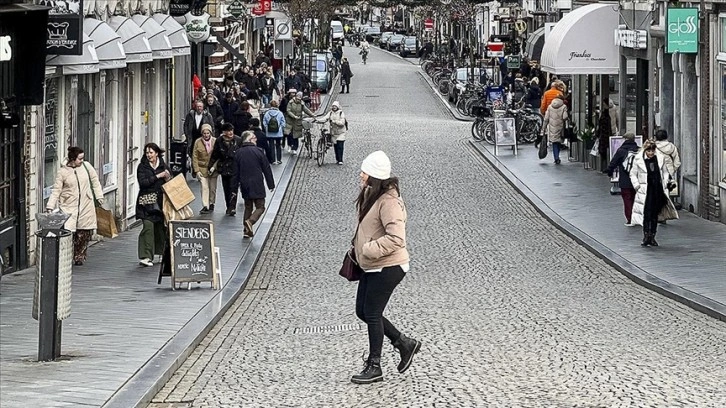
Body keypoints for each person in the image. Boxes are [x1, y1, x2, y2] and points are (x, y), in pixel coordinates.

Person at [351, 151, 420, 385]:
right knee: (363, 310)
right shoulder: (372, 194)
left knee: (371, 313)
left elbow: (396, 238)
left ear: (374, 176)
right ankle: (404, 343)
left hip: (389, 266)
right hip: (371, 266)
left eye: (365, 171)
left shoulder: (390, 201)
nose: (361, 175)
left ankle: (375, 365)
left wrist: (369, 249)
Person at [46, 146, 104, 266]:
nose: (82, 161)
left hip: (86, 204)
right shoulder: (63, 172)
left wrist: (99, 196)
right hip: (69, 205)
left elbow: (95, 181)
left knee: (84, 233)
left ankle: (79, 256)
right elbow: (57, 189)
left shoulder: (87, 167)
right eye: (79, 159)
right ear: (72, 159)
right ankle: (67, 255)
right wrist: (50, 205)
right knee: (69, 232)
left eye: (83, 158)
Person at [629, 140, 679, 247]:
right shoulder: (638, 159)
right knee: (646, 213)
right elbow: (633, 174)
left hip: (657, 189)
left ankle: (652, 236)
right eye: (649, 151)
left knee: (655, 214)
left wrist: (665, 181)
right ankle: (646, 235)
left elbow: (665, 172)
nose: (651, 153)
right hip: (645, 191)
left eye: (652, 150)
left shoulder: (660, 158)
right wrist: (637, 185)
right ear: (645, 150)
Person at [231, 131, 275, 238]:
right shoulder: (259, 151)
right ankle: (250, 222)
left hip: (244, 183)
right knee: (260, 206)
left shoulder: (238, 152)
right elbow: (266, 169)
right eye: (254, 138)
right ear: (249, 139)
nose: (256, 139)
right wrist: (271, 184)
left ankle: (246, 231)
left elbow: (235, 173)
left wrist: (233, 188)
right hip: (257, 183)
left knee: (248, 206)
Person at [136, 143, 171, 266]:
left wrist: (167, 178)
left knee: (160, 228)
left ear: (156, 153)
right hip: (146, 202)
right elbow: (143, 183)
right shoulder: (142, 167)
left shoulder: (163, 165)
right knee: (148, 227)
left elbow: (170, 182)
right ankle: (146, 256)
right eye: (147, 153)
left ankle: (161, 252)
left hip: (161, 202)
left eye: (151, 152)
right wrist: (158, 176)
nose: (149, 155)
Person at [606, 133, 640, 226]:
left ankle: (630, 218)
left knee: (627, 200)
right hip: (638, 180)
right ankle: (637, 217)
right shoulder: (639, 150)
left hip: (625, 180)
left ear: (625, 139)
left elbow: (613, 163)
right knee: (636, 199)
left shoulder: (621, 151)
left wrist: (609, 172)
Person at [209, 123, 242, 216]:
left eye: (231, 130)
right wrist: (210, 166)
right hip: (224, 168)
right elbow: (215, 154)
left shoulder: (238, 140)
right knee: (226, 188)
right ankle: (228, 206)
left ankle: (232, 207)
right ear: (224, 132)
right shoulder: (219, 141)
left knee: (233, 188)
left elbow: (241, 154)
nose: (230, 132)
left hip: (235, 168)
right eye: (228, 131)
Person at [192, 124, 218, 214]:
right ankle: (205, 205)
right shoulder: (197, 142)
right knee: (204, 187)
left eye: (207, 133)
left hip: (213, 169)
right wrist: (197, 170)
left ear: (210, 133)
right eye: (204, 133)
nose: (206, 135)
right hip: (202, 168)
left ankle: (212, 203)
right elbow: (194, 157)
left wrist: (214, 167)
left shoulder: (215, 141)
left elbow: (218, 156)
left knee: (212, 188)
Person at [542, 96, 568, 164]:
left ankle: (556, 157)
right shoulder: (564, 106)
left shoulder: (550, 106)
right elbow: (565, 117)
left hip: (552, 127)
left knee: (554, 142)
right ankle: (557, 157)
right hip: (560, 127)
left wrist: (544, 128)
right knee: (558, 142)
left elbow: (546, 118)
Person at [263, 100, 287, 164]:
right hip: (278, 133)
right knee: (278, 145)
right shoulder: (280, 113)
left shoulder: (267, 113)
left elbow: (264, 123)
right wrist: (281, 128)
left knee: (271, 146)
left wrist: (267, 128)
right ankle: (279, 159)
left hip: (269, 133)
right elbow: (283, 123)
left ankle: (273, 160)